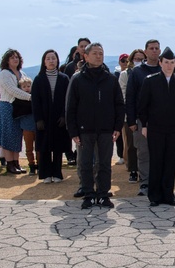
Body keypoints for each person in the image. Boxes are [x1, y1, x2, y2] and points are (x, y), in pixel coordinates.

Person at [65, 42, 124, 209]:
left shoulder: (111, 79)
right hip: (85, 130)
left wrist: (117, 127)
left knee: (104, 163)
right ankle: (88, 194)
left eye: (101, 53)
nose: (99, 56)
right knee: (85, 163)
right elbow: (71, 107)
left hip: (106, 129)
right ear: (86, 56)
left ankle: (103, 194)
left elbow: (119, 104)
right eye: (95, 53)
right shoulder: (77, 79)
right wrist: (73, 131)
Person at [137, 47, 175, 207]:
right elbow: (142, 106)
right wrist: (144, 125)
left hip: (173, 128)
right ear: (160, 63)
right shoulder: (150, 81)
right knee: (156, 160)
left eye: (172, 62)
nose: (169, 65)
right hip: (155, 128)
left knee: (170, 161)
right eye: (166, 62)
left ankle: (168, 194)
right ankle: (154, 195)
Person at [126, 39, 162, 197]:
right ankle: (145, 183)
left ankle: (159, 182)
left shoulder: (165, 69)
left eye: (157, 48)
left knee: (161, 152)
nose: (154, 51)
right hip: (142, 120)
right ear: (146, 52)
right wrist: (132, 121)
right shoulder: (137, 72)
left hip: (162, 120)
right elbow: (130, 97)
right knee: (144, 152)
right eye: (151, 48)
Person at [32, 49, 72, 183]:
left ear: (57, 61)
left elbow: (68, 99)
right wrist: (38, 119)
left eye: (53, 58)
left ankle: (57, 173)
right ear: (44, 61)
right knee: (44, 147)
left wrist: (64, 116)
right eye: (48, 58)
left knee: (58, 147)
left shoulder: (64, 78)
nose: (51, 61)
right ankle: (45, 174)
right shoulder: (38, 79)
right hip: (44, 118)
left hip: (59, 118)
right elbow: (35, 101)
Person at [0, 49, 36, 176]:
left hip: (19, 108)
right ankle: (10, 164)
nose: (15, 59)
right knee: (8, 135)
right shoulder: (4, 74)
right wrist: (31, 97)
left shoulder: (22, 73)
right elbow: (12, 90)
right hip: (7, 106)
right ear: (7, 60)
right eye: (12, 57)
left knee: (17, 136)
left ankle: (16, 162)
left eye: (17, 57)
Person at [120, 48, 145, 183]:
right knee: (131, 144)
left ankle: (144, 171)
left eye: (142, 59)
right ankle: (133, 170)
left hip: (144, 115)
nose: (139, 62)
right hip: (129, 114)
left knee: (143, 145)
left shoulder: (146, 73)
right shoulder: (125, 74)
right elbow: (123, 93)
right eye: (137, 59)